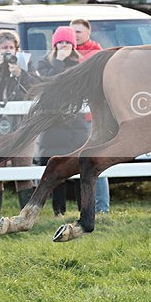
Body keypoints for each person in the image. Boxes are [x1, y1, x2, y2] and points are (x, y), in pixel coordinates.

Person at [0, 30, 40, 215]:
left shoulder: (25, 64)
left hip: (23, 128)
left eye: (12, 47)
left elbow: (36, 88)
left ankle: (27, 216)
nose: (8, 51)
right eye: (4, 48)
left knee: (23, 171)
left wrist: (21, 74)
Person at [36, 26, 89, 215]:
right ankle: (58, 212)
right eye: (61, 43)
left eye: (67, 42)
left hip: (75, 127)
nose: (64, 46)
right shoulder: (44, 64)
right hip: (53, 128)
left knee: (80, 169)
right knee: (56, 169)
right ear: (55, 45)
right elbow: (49, 85)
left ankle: (83, 210)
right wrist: (57, 62)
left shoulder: (79, 64)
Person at [70, 18, 110, 213]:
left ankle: (101, 207)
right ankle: (86, 207)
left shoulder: (96, 54)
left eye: (78, 31)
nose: (74, 35)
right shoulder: (66, 54)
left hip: (91, 120)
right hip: (70, 122)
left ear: (88, 32)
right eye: (72, 32)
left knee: (95, 162)